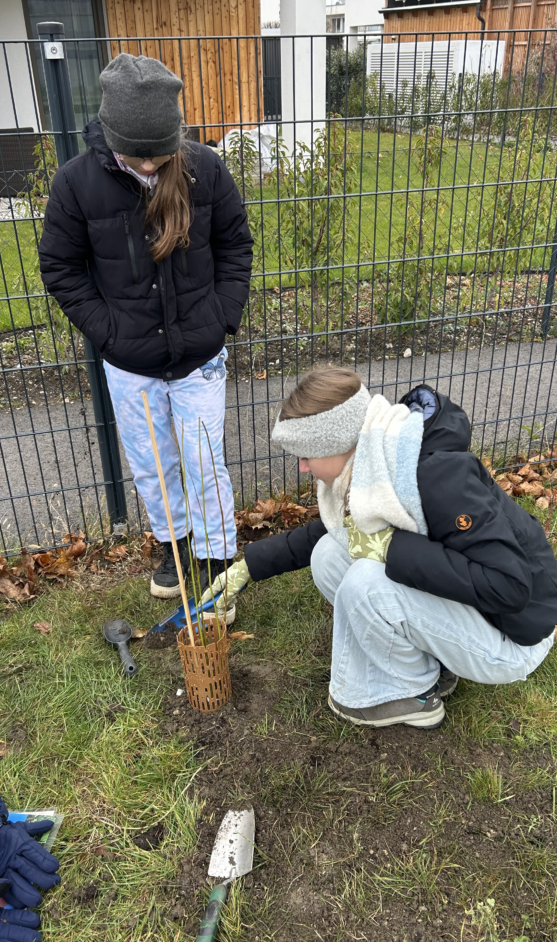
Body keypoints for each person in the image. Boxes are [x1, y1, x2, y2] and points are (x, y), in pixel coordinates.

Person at [201, 368, 557, 728]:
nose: (303, 467)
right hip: (480, 616)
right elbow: (332, 530)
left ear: (338, 441)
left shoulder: (437, 476)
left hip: (513, 639)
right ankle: (430, 669)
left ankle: (415, 696)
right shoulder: (377, 456)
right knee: (328, 553)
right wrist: (248, 567)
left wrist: (390, 548)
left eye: (307, 454)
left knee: (366, 583)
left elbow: (509, 587)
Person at [39, 54, 253, 598]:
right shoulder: (76, 184)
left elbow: (235, 246)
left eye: (161, 152)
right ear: (114, 137)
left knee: (204, 461)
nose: (153, 165)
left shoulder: (205, 169)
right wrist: (108, 332)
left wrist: (222, 316)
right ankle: (173, 548)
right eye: (141, 155)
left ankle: (216, 558)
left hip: (199, 357)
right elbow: (61, 268)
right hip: (129, 362)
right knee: (152, 465)